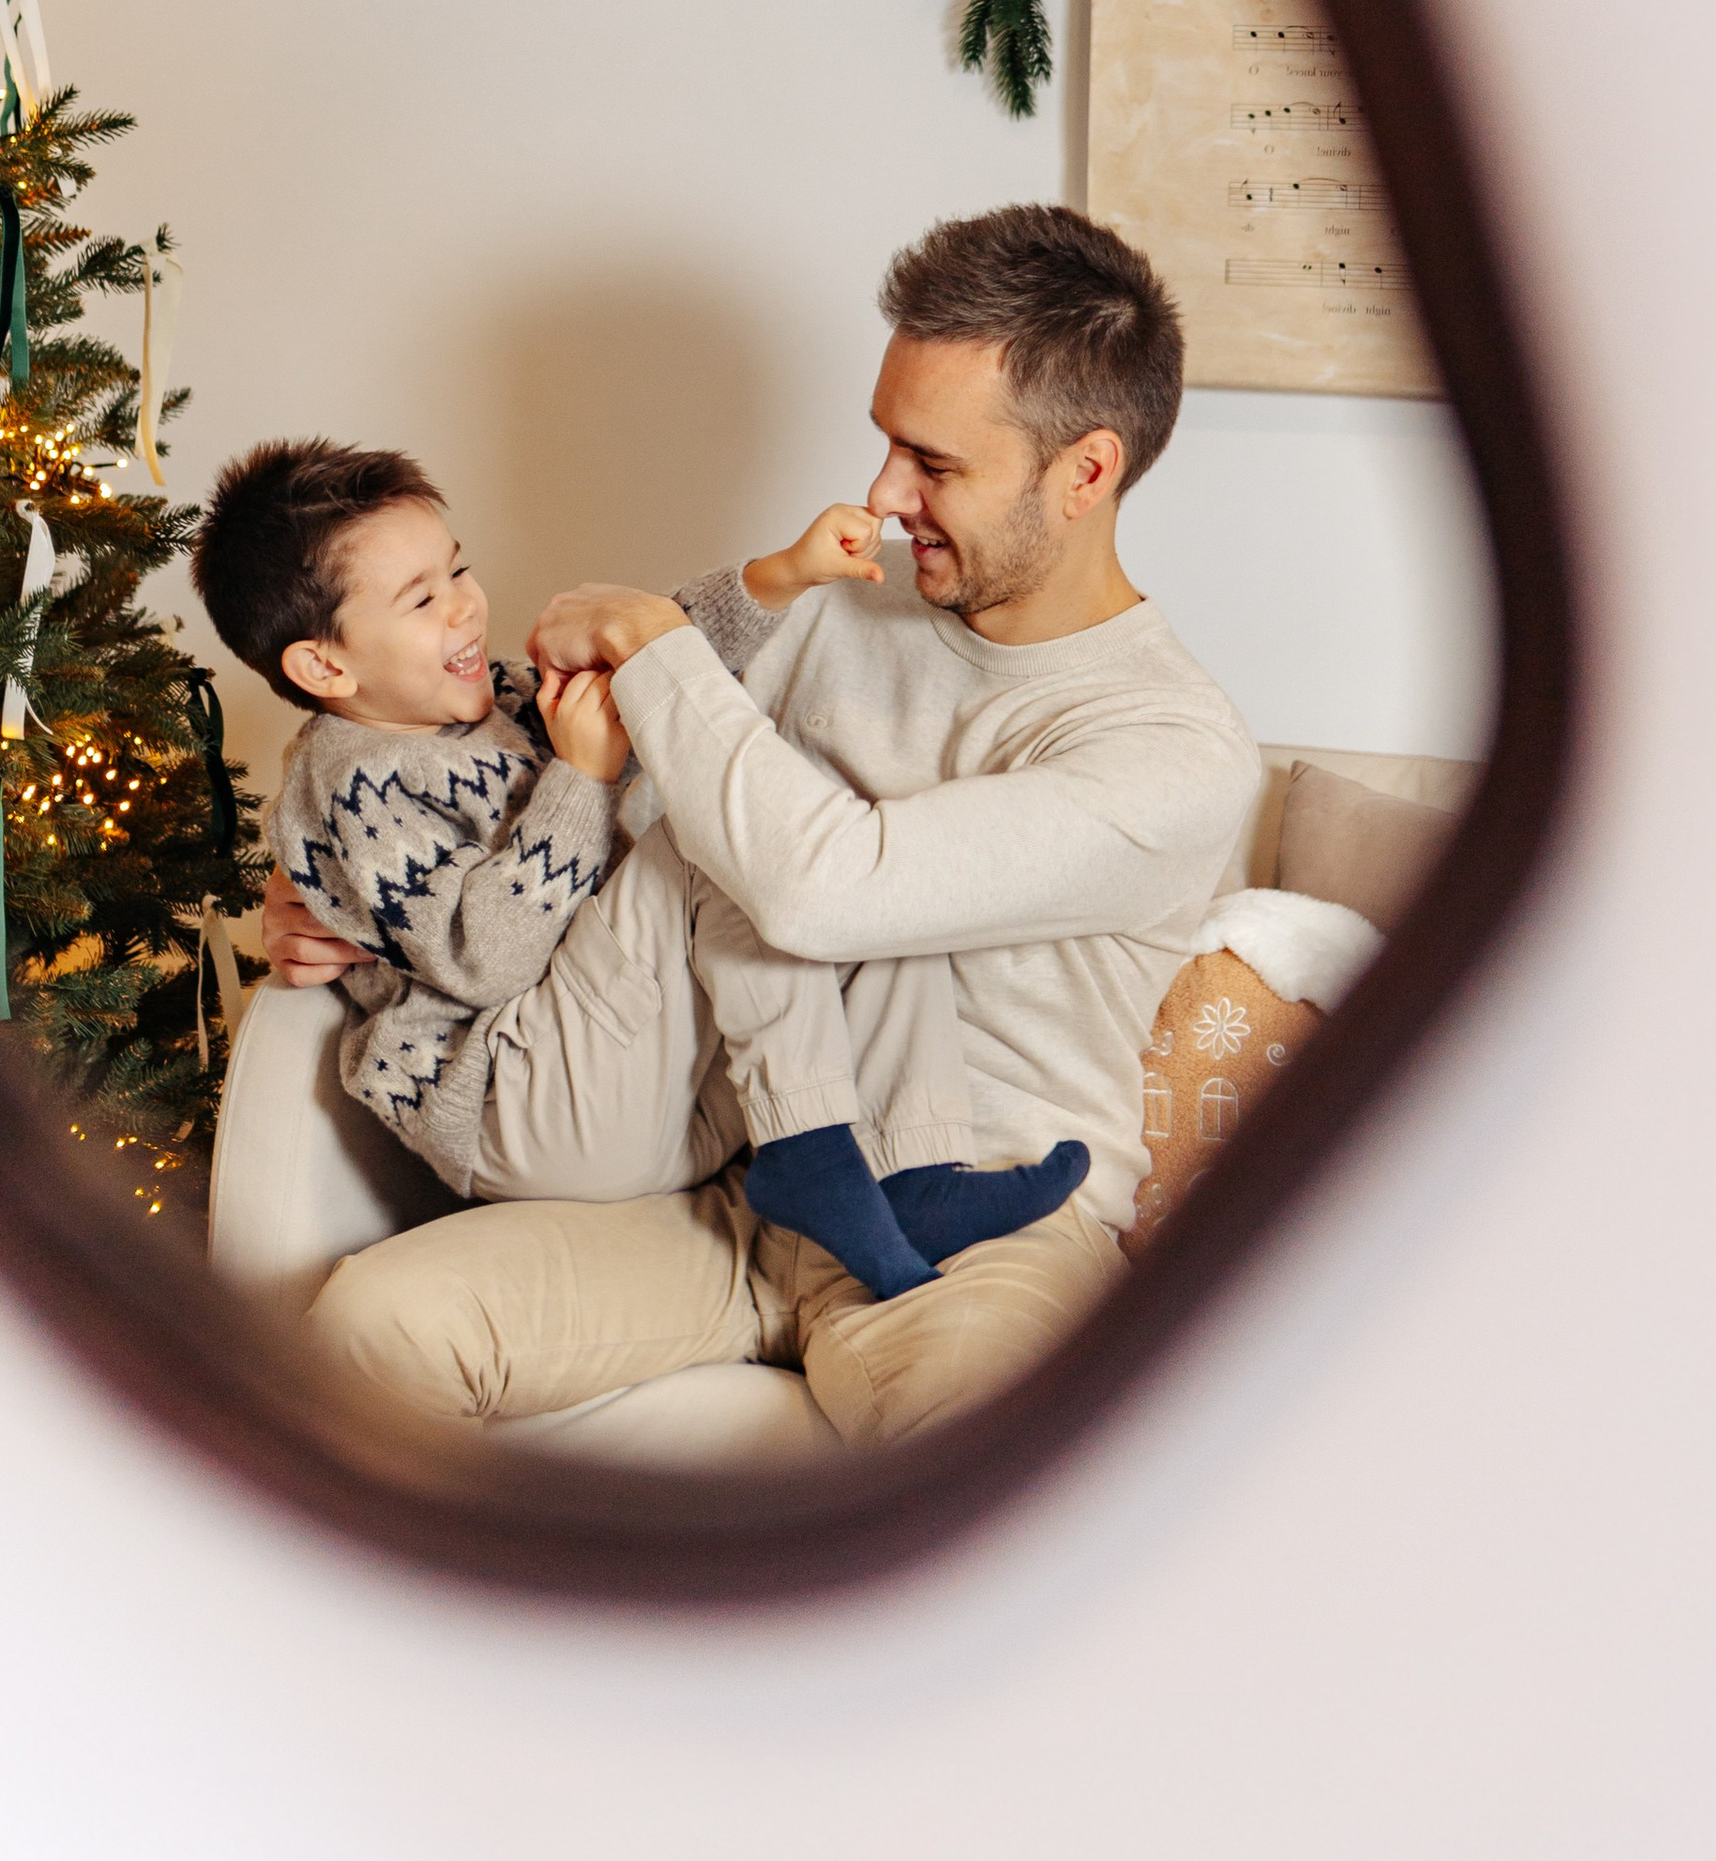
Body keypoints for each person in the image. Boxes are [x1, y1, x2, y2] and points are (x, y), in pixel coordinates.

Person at [268, 203, 1262, 1445]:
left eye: (934, 463)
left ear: (1086, 471)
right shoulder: (847, 611)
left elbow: (821, 883)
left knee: (980, 1462)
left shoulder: (1171, 750)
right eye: (886, 443)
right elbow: (603, 839)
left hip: (986, 1224)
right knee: (373, 1323)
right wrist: (357, 910)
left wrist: (649, 634)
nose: (884, 493)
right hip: (731, 1187)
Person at [196, 439, 1088, 1305]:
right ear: (325, 664)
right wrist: (580, 780)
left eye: (459, 571)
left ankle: (913, 1171)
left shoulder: (495, 701)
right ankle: (813, 1158)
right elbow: (485, 960)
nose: (466, 608)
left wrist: (783, 571)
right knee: (712, 824)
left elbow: (652, 653)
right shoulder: (352, 783)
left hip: (647, 1097)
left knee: (840, 856)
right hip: (525, 1111)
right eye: (422, 599)